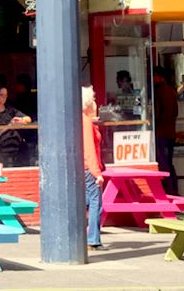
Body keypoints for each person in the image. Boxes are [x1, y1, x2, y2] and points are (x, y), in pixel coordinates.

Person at [0, 86, 32, 167]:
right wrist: (9, 126)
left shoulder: (10, 110)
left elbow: (28, 119)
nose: (4, 98)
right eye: (1, 95)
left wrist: (21, 120)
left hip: (16, 145)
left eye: (6, 95)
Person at [82, 85, 105, 251]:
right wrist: (97, 173)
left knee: (85, 202)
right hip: (89, 168)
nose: (96, 102)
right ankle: (93, 239)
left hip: (83, 167)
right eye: (94, 99)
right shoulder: (86, 122)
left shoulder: (82, 119)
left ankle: (83, 236)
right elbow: (89, 148)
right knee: (96, 202)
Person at [153, 65, 179, 195]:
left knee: (163, 164)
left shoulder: (158, 91)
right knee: (169, 163)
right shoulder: (171, 90)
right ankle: (174, 189)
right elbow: (175, 112)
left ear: (158, 77)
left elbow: (157, 114)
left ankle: (168, 192)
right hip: (170, 133)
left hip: (161, 133)